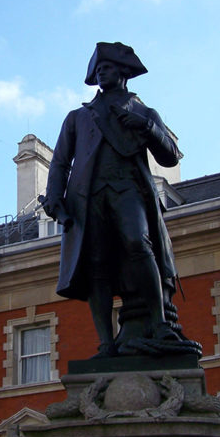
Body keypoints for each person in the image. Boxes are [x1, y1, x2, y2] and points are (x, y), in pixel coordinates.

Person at [42, 42, 197, 358]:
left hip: (128, 189)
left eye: (108, 68)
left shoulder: (143, 112)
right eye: (98, 70)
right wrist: (55, 197)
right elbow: (60, 161)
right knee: (96, 264)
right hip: (87, 197)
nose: (102, 73)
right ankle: (106, 343)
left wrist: (147, 128)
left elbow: (169, 157)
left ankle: (160, 324)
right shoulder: (77, 117)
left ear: (124, 73)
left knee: (138, 244)